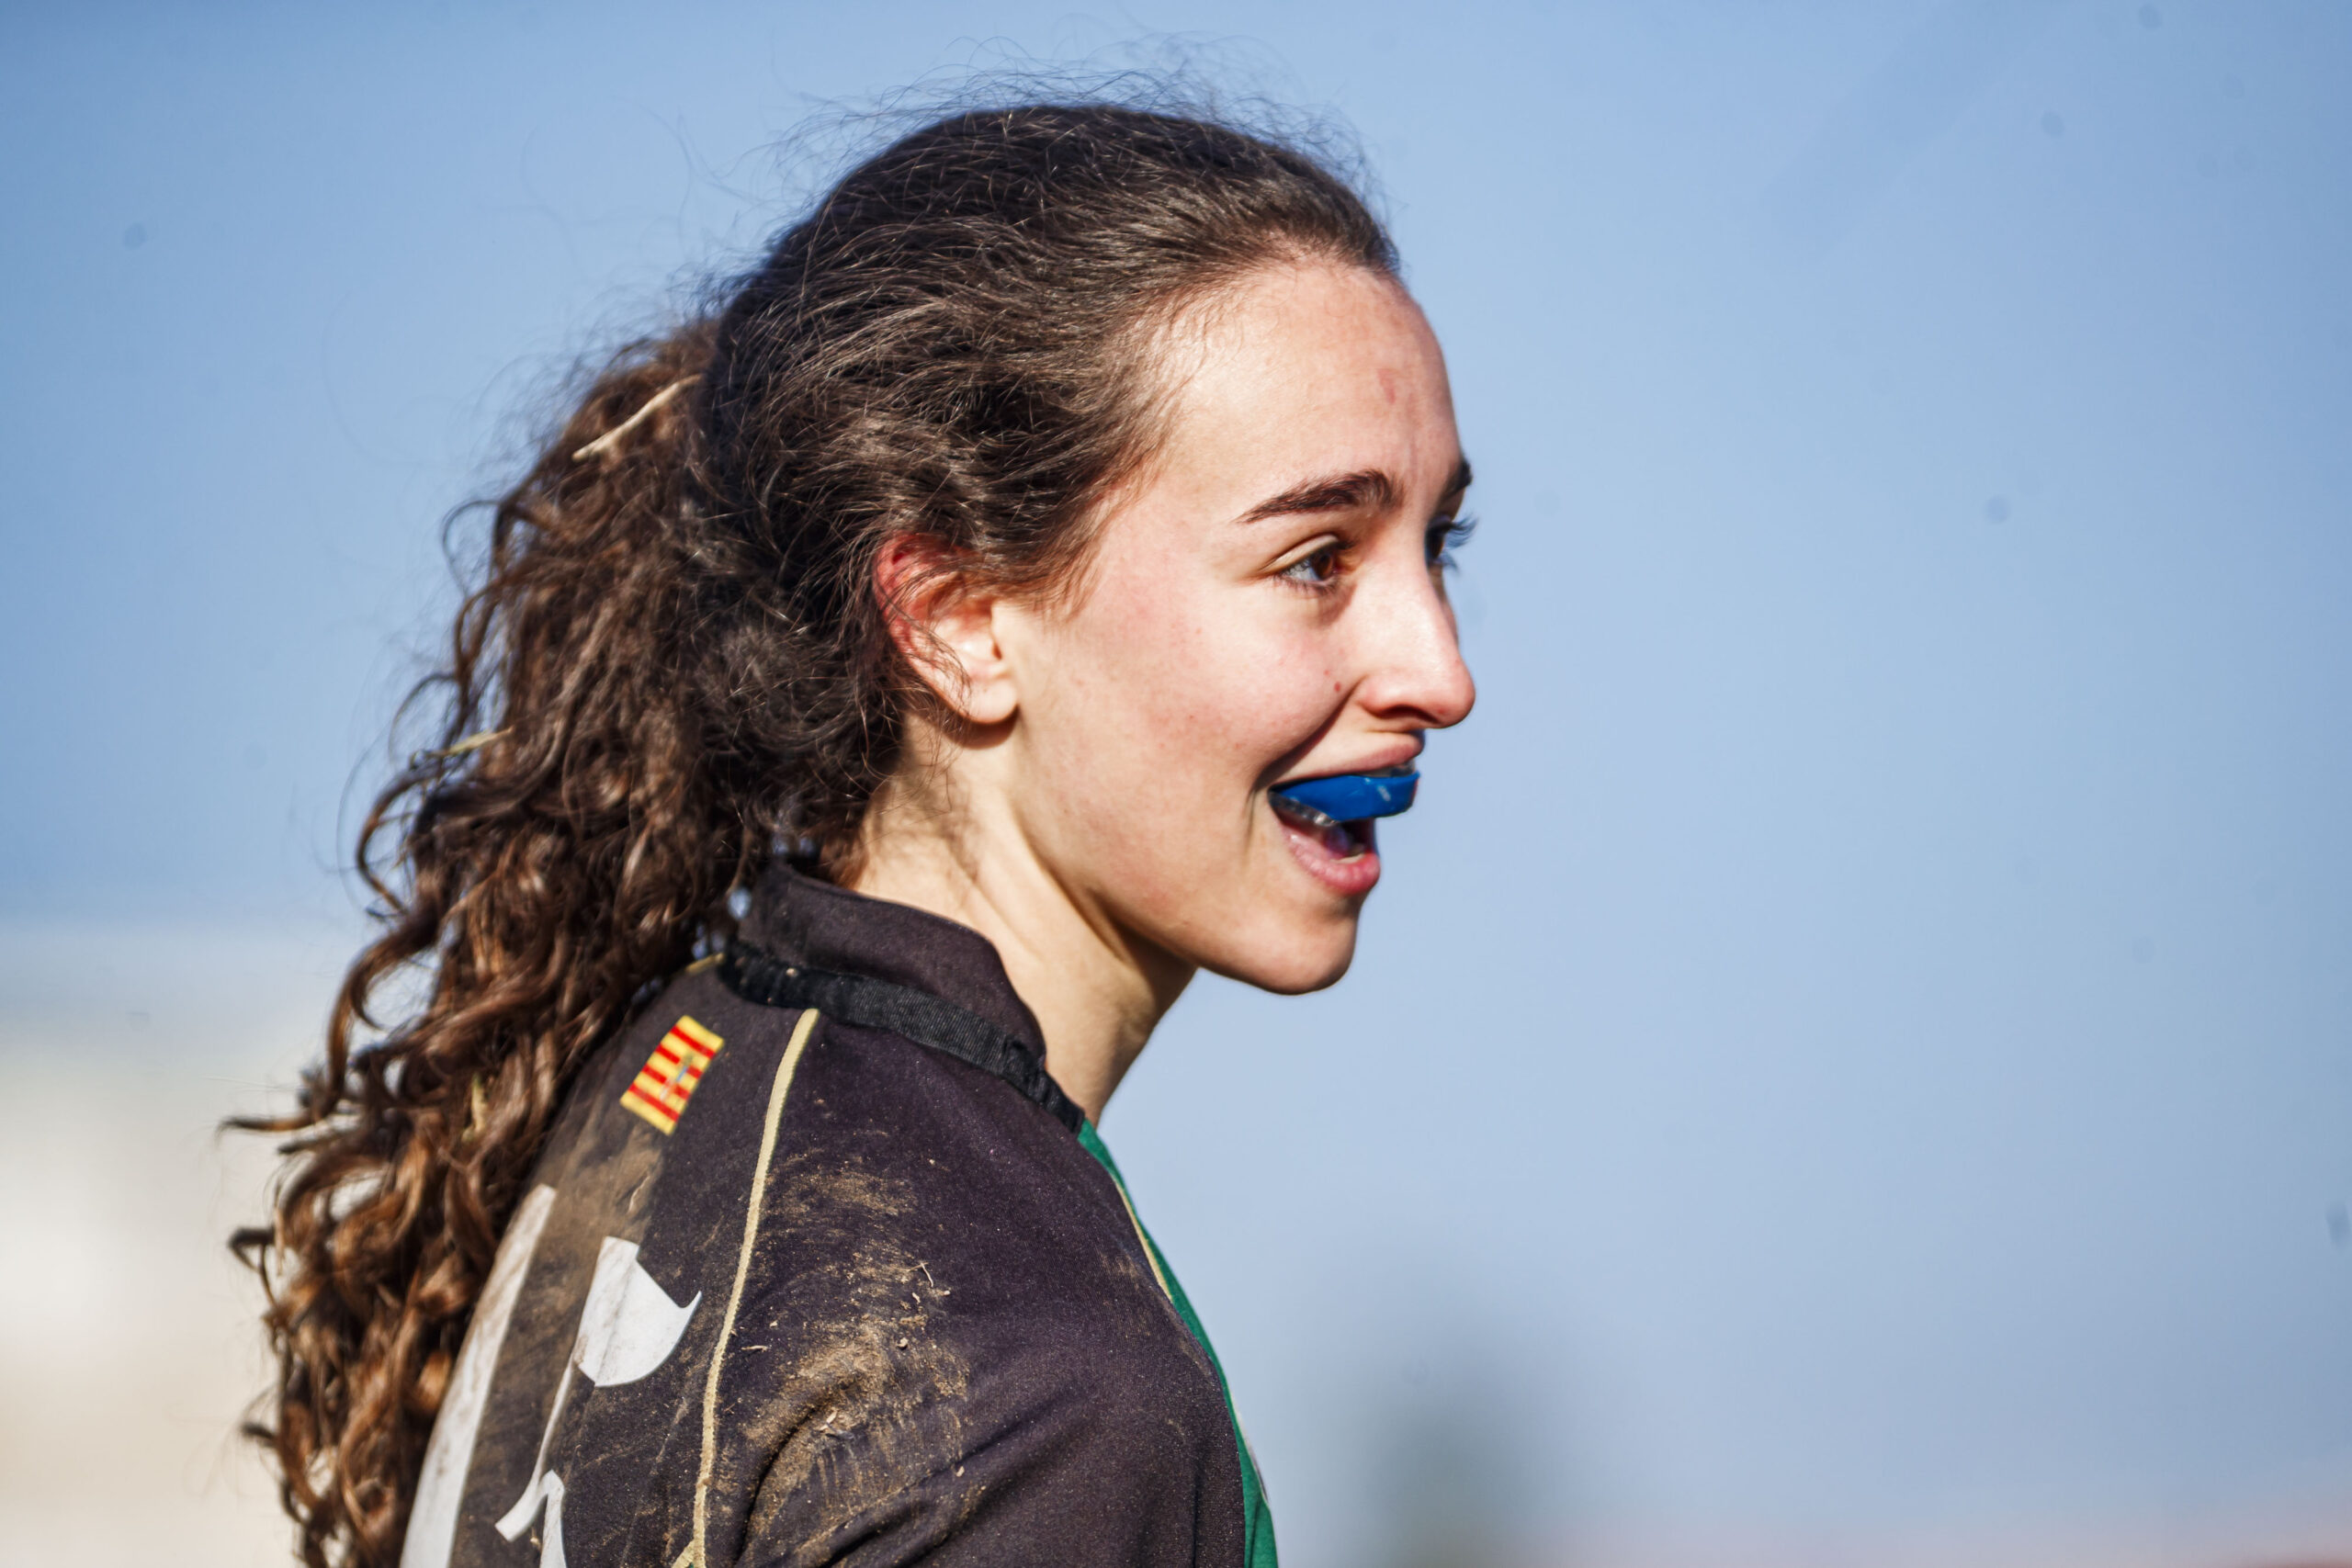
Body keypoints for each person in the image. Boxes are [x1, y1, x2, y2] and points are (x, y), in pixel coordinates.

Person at [239, 98, 1476, 1568]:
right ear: (956, 619)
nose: (1440, 673)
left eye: (1437, 546)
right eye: (1317, 560)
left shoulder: (679, 1066)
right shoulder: (1046, 1407)